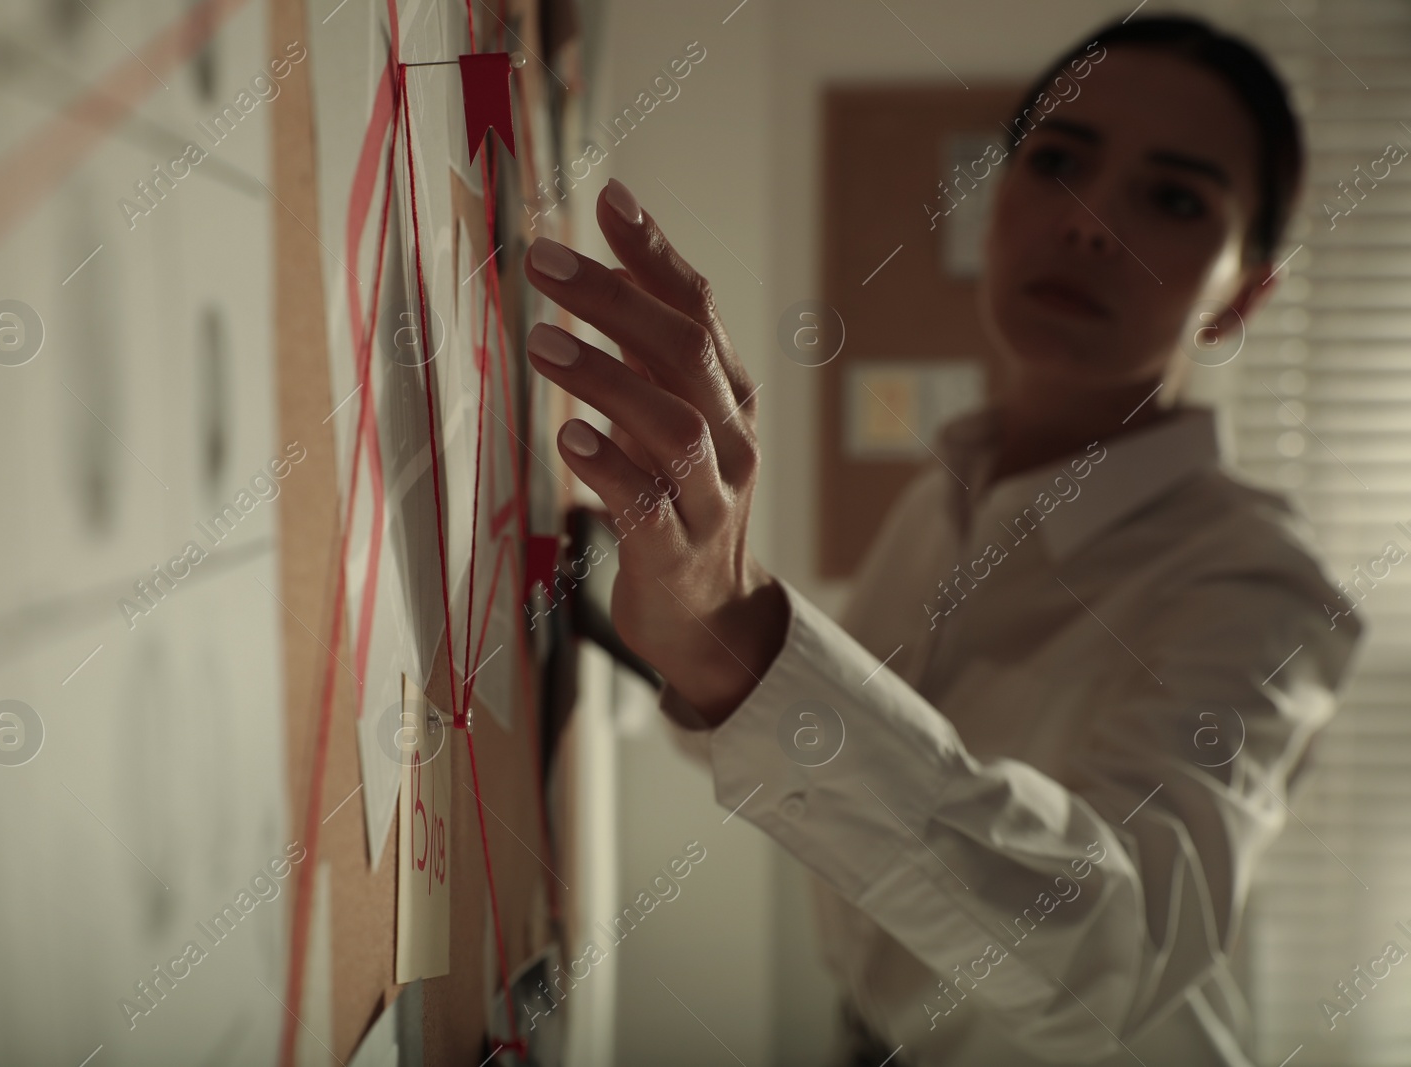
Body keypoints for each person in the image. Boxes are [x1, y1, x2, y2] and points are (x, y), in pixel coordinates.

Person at [521, 13, 1364, 1067]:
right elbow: (785, 738)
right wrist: (688, 616)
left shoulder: (1264, 587)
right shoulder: (950, 491)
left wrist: (739, 635)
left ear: (1242, 293)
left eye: (1174, 197)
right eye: (1058, 161)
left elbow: (1122, 955)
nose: (1091, 223)